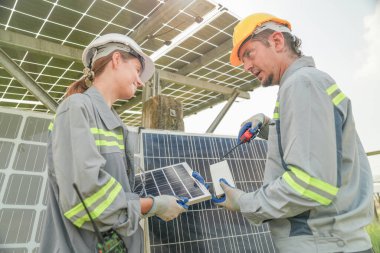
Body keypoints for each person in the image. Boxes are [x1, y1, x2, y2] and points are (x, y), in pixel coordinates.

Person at [213, 13, 374, 253]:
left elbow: (310, 183)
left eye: (249, 53)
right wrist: (269, 126)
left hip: (324, 244)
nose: (246, 66)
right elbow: (324, 145)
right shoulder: (306, 82)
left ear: (277, 42)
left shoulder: (302, 83)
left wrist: (244, 202)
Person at [40, 33, 187, 252]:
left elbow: (115, 186)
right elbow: (87, 200)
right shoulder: (76, 108)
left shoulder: (116, 124)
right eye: (137, 70)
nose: (140, 81)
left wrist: (175, 182)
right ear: (116, 59)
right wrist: (154, 205)